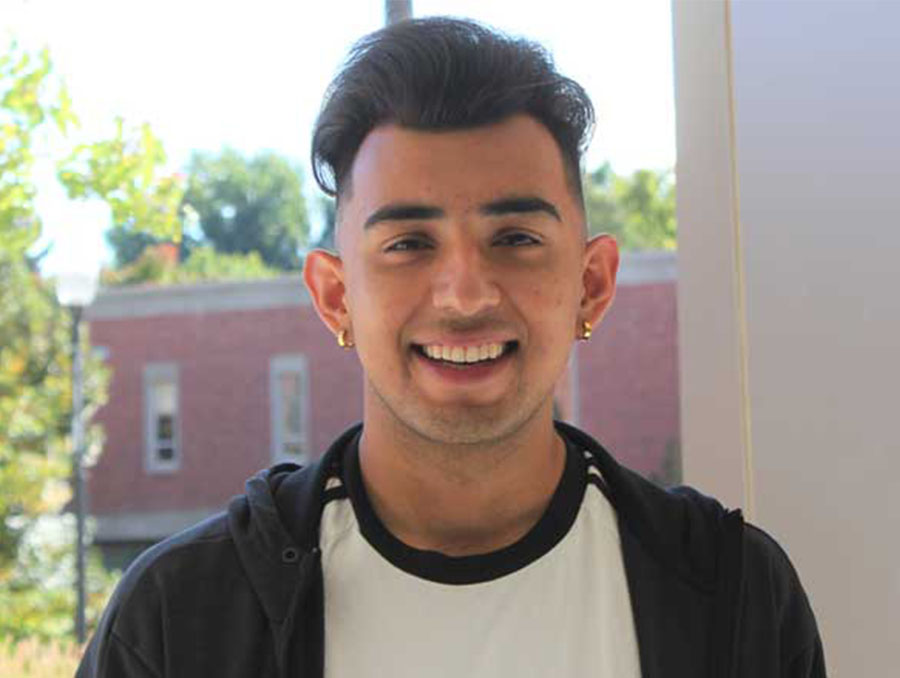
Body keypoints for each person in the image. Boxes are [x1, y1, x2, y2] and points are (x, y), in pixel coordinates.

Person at [77, 17, 825, 678]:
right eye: (408, 243)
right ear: (335, 296)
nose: (464, 294)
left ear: (591, 284)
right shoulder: (179, 621)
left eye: (516, 238)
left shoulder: (733, 595)